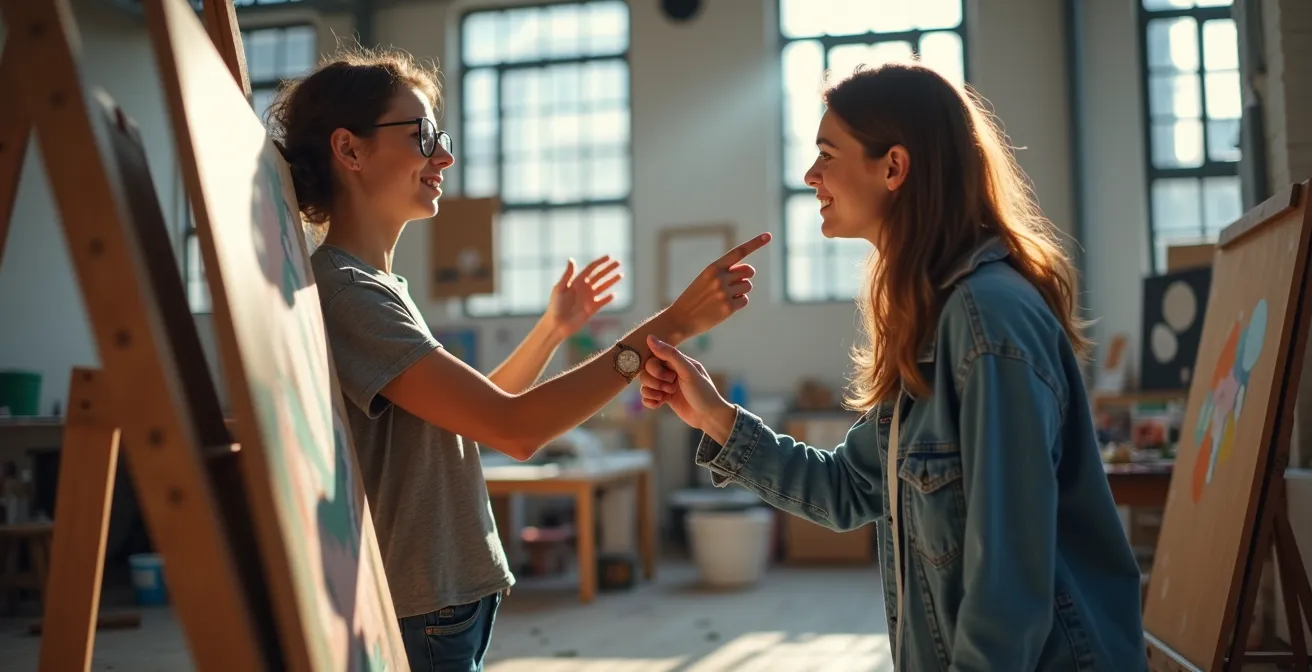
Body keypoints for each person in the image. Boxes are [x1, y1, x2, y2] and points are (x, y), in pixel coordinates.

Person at [266, 47, 771, 671]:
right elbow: (515, 428)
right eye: (422, 134)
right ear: (350, 150)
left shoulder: (373, 285)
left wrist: (551, 332)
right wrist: (673, 325)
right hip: (421, 605)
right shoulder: (349, 292)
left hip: (444, 598)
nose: (443, 156)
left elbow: (471, 419)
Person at [639, 62, 1147, 671]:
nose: (810, 175)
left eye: (827, 154)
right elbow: (849, 489)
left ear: (894, 167)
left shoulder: (988, 323)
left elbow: (1008, 589)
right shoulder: (933, 318)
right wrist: (716, 417)